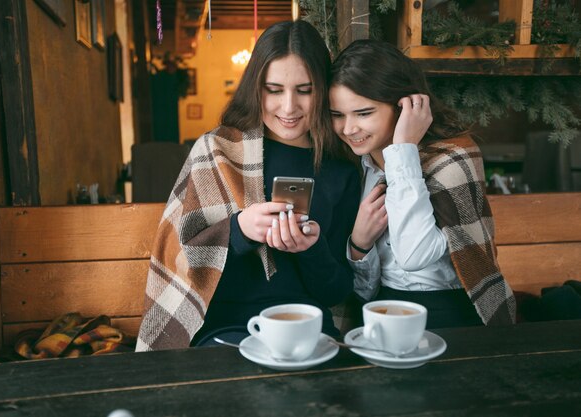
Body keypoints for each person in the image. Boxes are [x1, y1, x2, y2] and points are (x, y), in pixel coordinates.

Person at [136, 20, 360, 351]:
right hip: (227, 331)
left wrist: (313, 249)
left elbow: (337, 293)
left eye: (305, 90)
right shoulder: (218, 150)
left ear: (323, 89)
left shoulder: (341, 168)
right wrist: (239, 230)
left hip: (308, 333)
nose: (288, 107)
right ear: (256, 87)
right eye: (274, 90)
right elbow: (180, 262)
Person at [328, 40, 516, 328]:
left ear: (404, 105)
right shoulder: (355, 168)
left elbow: (414, 255)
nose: (349, 129)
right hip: (379, 308)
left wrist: (403, 149)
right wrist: (359, 245)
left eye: (364, 113)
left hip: (450, 310)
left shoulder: (453, 158)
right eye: (337, 115)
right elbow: (363, 290)